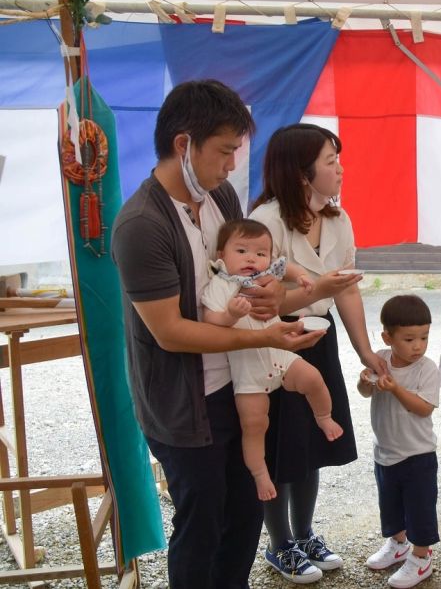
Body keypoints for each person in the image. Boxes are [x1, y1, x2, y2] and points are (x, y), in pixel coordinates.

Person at [111, 79, 325, 588]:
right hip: (184, 403)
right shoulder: (142, 224)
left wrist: (272, 294)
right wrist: (266, 339)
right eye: (225, 151)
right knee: (201, 522)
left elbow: (245, 270)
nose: (232, 165)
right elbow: (171, 333)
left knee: (246, 513)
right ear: (184, 144)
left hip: (238, 383)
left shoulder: (219, 196)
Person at [250, 123, 387, 582]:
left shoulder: (337, 219)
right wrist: (318, 290)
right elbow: (258, 301)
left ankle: (304, 532)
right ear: (302, 173)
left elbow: (345, 292)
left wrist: (366, 351)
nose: (340, 169)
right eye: (331, 161)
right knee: (280, 448)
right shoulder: (267, 222)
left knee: (313, 443)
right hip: (274, 342)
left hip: (319, 341)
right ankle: (279, 544)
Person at [201, 218, 344, 500]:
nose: (251, 259)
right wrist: (230, 315)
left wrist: (302, 276)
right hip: (248, 372)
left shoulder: (266, 274)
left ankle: (324, 416)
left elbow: (284, 265)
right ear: (221, 255)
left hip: (280, 355)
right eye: (241, 251)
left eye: (260, 253)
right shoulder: (220, 285)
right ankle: (260, 473)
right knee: (254, 425)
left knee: (313, 378)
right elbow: (210, 319)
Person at [358, 294, 440, 588]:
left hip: (418, 454)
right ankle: (398, 544)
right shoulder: (381, 359)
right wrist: (364, 379)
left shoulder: (426, 368)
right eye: (408, 339)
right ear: (387, 337)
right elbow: (366, 394)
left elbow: (424, 408)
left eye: (424, 337)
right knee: (390, 505)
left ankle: (421, 558)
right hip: (386, 451)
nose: (418, 346)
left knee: (420, 508)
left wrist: (395, 389)